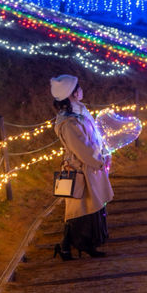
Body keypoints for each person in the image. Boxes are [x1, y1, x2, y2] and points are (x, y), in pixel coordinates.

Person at [51, 75, 113, 260]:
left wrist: (102, 154)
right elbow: (82, 149)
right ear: (71, 94)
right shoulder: (69, 122)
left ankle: (72, 246)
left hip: (89, 167)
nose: (81, 90)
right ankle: (76, 245)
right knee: (80, 207)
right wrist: (99, 161)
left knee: (88, 206)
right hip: (80, 169)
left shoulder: (79, 112)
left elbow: (92, 138)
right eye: (78, 88)